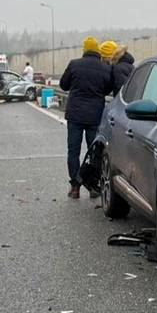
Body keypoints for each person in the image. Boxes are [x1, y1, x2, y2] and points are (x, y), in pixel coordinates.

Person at [59, 37, 113, 198]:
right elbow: (107, 89)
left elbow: (63, 85)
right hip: (95, 116)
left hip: (75, 115)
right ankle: (93, 187)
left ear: (84, 50)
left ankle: (75, 187)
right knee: (94, 152)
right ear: (97, 51)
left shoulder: (74, 64)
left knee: (73, 151)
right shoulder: (105, 68)